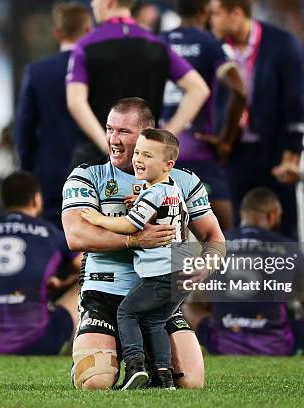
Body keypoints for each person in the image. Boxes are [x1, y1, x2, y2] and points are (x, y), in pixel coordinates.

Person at [62, 97, 225, 390]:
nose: (113, 139)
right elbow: (76, 236)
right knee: (96, 381)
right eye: (110, 129)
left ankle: (148, 363)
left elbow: (214, 237)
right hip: (104, 292)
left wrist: (205, 268)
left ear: (148, 136)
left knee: (191, 382)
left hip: (159, 293)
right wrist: (135, 239)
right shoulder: (88, 175)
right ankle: (100, 350)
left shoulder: (184, 181)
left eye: (124, 132)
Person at [81, 129, 190, 389]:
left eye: (147, 155)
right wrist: (140, 202)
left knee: (127, 313)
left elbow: (131, 225)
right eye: (138, 153)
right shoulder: (172, 191)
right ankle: (164, 377)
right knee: (154, 322)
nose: (139, 159)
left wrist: (98, 219)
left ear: (168, 165)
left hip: (160, 275)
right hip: (181, 273)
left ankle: (135, 366)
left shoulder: (153, 193)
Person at [185, 187, 304, 356]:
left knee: (186, 307)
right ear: (273, 215)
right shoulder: (288, 247)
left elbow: (202, 297)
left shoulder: (218, 244)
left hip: (223, 342)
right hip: (275, 344)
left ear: (242, 214)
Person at [66, 0, 210, 166]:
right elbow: (199, 89)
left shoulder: (85, 45)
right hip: (142, 162)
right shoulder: (157, 45)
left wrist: (109, 145)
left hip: (94, 159)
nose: (92, 4)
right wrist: (163, 138)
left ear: (109, 2)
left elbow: (75, 102)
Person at [209, 0, 304, 240]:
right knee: (238, 229)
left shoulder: (282, 43)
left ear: (236, 13)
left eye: (216, 14)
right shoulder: (215, 48)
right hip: (235, 151)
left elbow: (294, 101)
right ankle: (242, 278)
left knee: (285, 224)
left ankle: (298, 277)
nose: (211, 20)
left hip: (276, 150)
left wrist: (292, 152)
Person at [0, 171, 81, 355]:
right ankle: (85, 347)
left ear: (3, 201)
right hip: (36, 342)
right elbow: (88, 269)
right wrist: (64, 282)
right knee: (91, 282)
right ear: (36, 199)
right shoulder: (50, 232)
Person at [161, 0, 246, 230]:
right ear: (205, 11)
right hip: (200, 155)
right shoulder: (210, 45)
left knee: (167, 247)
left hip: (160, 157)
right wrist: (226, 140)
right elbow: (239, 91)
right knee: (225, 237)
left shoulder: (159, 42)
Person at [15, 2, 91, 230]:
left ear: (57, 33)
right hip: (95, 171)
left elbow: (24, 129)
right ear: (88, 30)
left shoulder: (38, 71)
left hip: (51, 173)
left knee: (51, 242)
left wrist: (28, 170)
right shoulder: (97, 69)